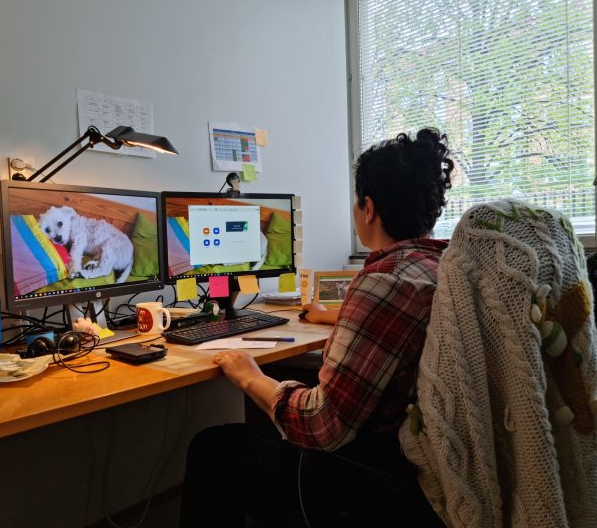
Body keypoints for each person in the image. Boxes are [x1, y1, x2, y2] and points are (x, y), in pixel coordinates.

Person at [179, 128, 454, 527]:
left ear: (369, 209)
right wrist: (339, 314)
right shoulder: (439, 268)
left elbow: (319, 426)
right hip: (405, 472)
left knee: (212, 446)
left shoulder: (382, 281)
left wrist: (250, 376)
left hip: (356, 481)